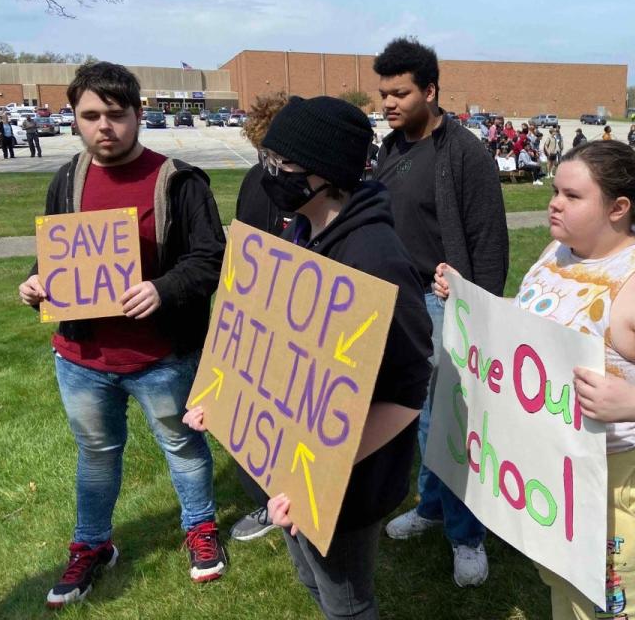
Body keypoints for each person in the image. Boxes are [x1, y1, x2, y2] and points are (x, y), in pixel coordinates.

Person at [433, 141, 635, 620]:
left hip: (623, 478)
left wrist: (631, 402)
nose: (554, 202)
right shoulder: (557, 252)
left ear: (618, 208)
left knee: (610, 609)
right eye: (555, 191)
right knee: (564, 589)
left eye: (572, 195)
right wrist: (470, 299)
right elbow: (533, 326)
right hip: (556, 471)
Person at [187, 95, 433, 620]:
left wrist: (311, 478)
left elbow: (411, 392)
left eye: (283, 164)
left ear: (326, 174)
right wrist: (225, 401)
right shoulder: (299, 230)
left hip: (346, 486)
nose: (269, 173)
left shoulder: (374, 259)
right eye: (267, 158)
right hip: (292, 472)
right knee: (310, 577)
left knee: (346, 601)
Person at [17, 62, 228, 608]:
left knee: (182, 445)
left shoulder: (178, 181)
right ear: (75, 119)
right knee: (96, 454)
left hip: (160, 356)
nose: (104, 127)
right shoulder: (66, 179)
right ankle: (91, 546)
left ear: (138, 114)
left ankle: (200, 530)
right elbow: (55, 256)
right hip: (83, 356)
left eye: (116, 115)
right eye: (90, 116)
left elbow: (210, 259)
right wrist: (38, 284)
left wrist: (164, 288)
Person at [373, 37, 509, 587]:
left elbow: (490, 239)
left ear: (430, 91)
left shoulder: (465, 153)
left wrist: (478, 308)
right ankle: (432, 508)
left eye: (399, 92)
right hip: (396, 302)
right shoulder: (389, 149)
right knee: (421, 419)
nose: (388, 102)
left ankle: (467, 536)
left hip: (446, 304)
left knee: (449, 422)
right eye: (383, 93)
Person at [225, 90, 293, 542]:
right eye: (264, 151)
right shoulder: (254, 182)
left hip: (300, 324)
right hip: (256, 319)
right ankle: (270, 498)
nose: (270, 161)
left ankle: (286, 501)